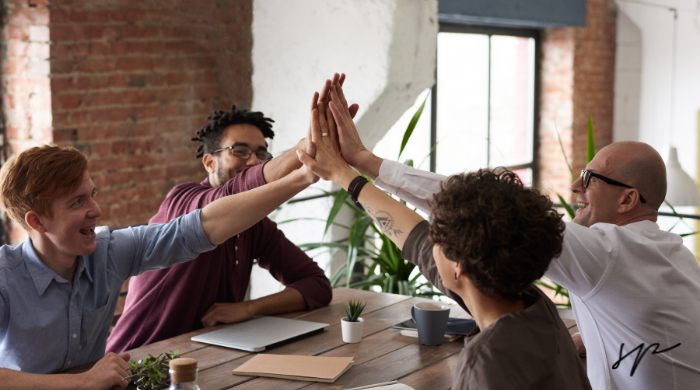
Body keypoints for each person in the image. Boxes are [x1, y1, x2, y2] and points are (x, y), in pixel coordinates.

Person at [325, 77, 700, 389]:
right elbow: (646, 328)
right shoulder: (669, 254)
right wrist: (577, 344)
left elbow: (479, 209)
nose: (574, 186)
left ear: (628, 200)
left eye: (589, 178)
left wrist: (364, 165)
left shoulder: (609, 254)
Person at [295, 83, 592, 389]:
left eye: (438, 234)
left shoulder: (487, 363)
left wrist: (344, 174)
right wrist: (347, 172)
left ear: (459, 266)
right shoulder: (533, 306)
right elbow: (415, 240)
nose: (430, 239)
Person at [0, 141, 317, 389]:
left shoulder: (109, 252)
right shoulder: (5, 276)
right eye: (77, 202)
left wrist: (303, 176)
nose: (96, 210)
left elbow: (200, 227)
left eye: (92, 195)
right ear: (37, 222)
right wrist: (83, 382)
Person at [107, 76, 359, 353]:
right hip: (138, 363)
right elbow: (231, 196)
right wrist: (303, 151)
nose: (253, 160)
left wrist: (249, 308)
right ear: (209, 161)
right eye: (240, 151)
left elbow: (317, 285)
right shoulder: (183, 201)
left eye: (262, 153)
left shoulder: (256, 225)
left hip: (208, 360)